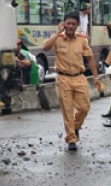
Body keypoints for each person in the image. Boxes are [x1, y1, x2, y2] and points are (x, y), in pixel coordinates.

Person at [43, 11, 100, 151]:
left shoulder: (82, 40)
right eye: (68, 23)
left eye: (73, 24)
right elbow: (45, 47)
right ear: (63, 24)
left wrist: (96, 77)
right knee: (67, 110)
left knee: (84, 108)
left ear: (77, 25)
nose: (70, 26)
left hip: (79, 77)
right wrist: (57, 32)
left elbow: (90, 59)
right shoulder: (57, 38)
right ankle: (71, 139)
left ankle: (75, 127)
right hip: (63, 78)